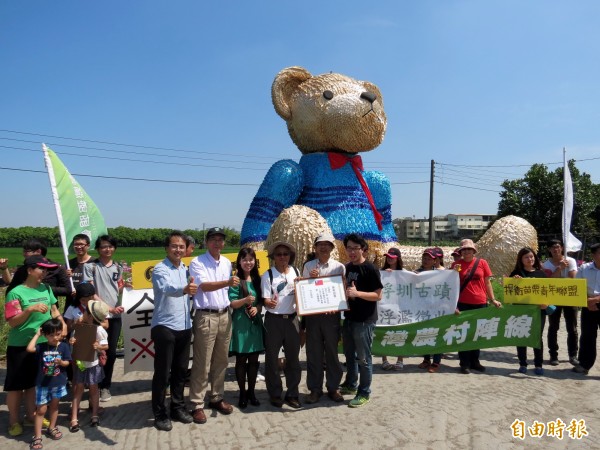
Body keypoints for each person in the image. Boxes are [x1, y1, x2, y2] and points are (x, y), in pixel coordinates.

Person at [4, 255, 67, 438]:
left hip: (43, 345)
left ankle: (31, 416)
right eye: (42, 269)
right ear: (30, 270)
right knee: (16, 386)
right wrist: (29, 310)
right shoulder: (16, 293)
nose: (45, 273)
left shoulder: (46, 288)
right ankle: (14, 421)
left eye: (47, 270)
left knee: (34, 383)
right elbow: (13, 322)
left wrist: (62, 325)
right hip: (20, 346)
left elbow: (54, 311)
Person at [189, 227, 237, 424]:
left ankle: (216, 397)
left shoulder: (226, 262)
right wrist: (227, 282)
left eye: (220, 239)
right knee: (202, 362)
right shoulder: (197, 262)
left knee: (221, 360)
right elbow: (204, 286)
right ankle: (196, 404)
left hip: (225, 315)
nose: (217, 243)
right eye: (213, 239)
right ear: (206, 242)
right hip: (205, 316)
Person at [151, 231, 198, 431]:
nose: (178, 249)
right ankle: (159, 413)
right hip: (165, 326)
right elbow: (167, 288)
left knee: (180, 371)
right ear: (166, 248)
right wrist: (185, 289)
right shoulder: (160, 269)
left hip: (184, 326)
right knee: (163, 373)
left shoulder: (184, 268)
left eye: (181, 246)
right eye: (174, 246)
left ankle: (177, 407)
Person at [339, 233, 383, 408]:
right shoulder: (348, 268)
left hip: (364, 320)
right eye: (348, 248)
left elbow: (378, 295)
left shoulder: (370, 268)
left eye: (355, 248)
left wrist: (358, 294)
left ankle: (364, 392)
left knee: (363, 358)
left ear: (363, 249)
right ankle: (351, 383)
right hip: (349, 317)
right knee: (349, 354)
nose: (351, 252)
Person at [302, 234, 346, 404]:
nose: (323, 247)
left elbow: (341, 290)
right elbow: (302, 290)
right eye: (320, 244)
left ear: (332, 248)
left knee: (332, 353)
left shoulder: (339, 267)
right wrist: (309, 279)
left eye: (327, 244)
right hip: (313, 316)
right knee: (314, 353)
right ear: (315, 248)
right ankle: (315, 389)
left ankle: (334, 387)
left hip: (331, 316)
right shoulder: (308, 266)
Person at [83, 235, 125, 403]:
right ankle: (92, 383)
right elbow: (91, 292)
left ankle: (105, 385)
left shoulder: (118, 266)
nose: (107, 249)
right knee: (94, 350)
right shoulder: (91, 267)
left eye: (110, 246)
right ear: (98, 249)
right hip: (96, 315)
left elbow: (118, 288)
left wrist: (126, 290)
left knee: (111, 352)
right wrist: (108, 308)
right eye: (103, 247)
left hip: (115, 316)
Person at [451, 239, 501, 374]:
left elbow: (487, 283)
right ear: (460, 252)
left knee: (478, 333)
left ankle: (475, 361)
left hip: (480, 303)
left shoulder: (482, 263)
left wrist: (493, 299)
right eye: (464, 249)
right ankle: (464, 363)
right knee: (464, 333)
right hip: (462, 303)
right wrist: (453, 304)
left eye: (469, 249)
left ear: (474, 251)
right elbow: (451, 285)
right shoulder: (456, 264)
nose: (466, 251)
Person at [261, 241, 302, 409]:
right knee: (271, 360)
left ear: (290, 256)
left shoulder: (296, 272)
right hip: (273, 321)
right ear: (273, 257)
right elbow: (264, 300)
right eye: (279, 254)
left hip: (292, 320)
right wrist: (268, 303)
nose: (283, 257)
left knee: (293, 359)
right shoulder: (268, 275)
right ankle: (275, 393)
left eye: (286, 254)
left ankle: (292, 394)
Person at [26, 318, 71, 449]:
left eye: (57, 334)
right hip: (42, 383)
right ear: (45, 335)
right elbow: (29, 349)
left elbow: (68, 362)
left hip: (58, 381)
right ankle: (38, 435)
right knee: (41, 410)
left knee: (55, 406)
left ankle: (52, 427)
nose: (55, 337)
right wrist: (37, 334)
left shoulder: (64, 346)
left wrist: (61, 363)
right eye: (51, 335)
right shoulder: (41, 347)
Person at [229, 248, 264, 408]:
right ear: (239, 261)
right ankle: (242, 392)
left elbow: (261, 301)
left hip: (255, 324)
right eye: (245, 259)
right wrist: (245, 300)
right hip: (241, 324)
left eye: (251, 259)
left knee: (254, 361)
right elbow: (232, 303)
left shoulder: (258, 279)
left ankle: (252, 391)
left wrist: (257, 307)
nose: (248, 262)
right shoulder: (236, 280)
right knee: (241, 360)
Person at [69, 299, 109, 432]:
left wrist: (98, 346)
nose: (83, 313)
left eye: (86, 312)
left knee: (93, 389)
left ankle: (95, 414)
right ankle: (74, 418)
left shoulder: (98, 330)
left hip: (93, 364)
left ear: (90, 316)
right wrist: (72, 341)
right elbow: (74, 340)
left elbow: (106, 345)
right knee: (78, 390)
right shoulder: (79, 327)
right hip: (81, 363)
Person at [510, 247, 549, 375]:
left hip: (538, 311)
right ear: (521, 259)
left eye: (531, 256)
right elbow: (511, 294)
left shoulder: (541, 274)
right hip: (521, 310)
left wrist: (546, 303)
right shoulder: (516, 274)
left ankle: (538, 364)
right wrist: (514, 282)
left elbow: (548, 293)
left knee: (537, 337)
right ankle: (522, 363)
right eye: (526, 257)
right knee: (521, 336)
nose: (529, 259)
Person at [543, 239, 579, 366]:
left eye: (557, 247)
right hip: (553, 298)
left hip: (570, 298)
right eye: (552, 247)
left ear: (562, 248)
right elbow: (548, 282)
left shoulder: (571, 261)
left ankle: (573, 355)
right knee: (553, 327)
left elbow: (572, 279)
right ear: (549, 250)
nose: (555, 249)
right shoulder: (546, 265)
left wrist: (564, 269)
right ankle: (553, 355)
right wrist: (559, 269)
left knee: (572, 328)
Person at [7, 239, 74, 301]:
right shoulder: (22, 269)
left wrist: (44, 288)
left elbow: (68, 290)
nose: (23, 254)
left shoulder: (57, 268)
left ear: (38, 251)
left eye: (26, 251)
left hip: (48, 309)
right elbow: (11, 290)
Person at [572, 243, 600, 375]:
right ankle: (584, 364)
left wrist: (595, 300)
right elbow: (577, 287)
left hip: (592, 301)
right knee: (587, 336)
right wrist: (587, 301)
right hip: (587, 304)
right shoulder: (584, 268)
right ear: (593, 255)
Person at [416, 248, 444, 373]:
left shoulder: (441, 274)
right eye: (424, 258)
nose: (426, 260)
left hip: (437, 309)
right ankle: (426, 359)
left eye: (429, 259)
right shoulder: (416, 273)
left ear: (435, 261)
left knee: (437, 335)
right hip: (422, 309)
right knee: (424, 334)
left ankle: (436, 362)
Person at [380, 248, 404, 372]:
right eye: (388, 256)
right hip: (385, 307)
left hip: (399, 307)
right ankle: (384, 360)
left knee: (400, 332)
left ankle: (400, 360)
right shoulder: (381, 272)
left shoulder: (404, 272)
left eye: (392, 257)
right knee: (384, 332)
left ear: (398, 258)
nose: (389, 258)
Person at [65, 234, 93, 310]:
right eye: (76, 244)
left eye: (81, 244)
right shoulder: (69, 264)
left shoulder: (95, 263)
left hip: (89, 305)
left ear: (88, 246)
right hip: (71, 304)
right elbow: (64, 284)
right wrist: (66, 276)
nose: (79, 247)